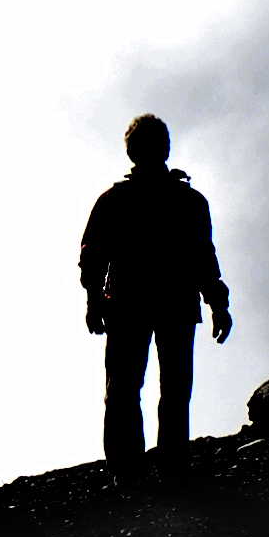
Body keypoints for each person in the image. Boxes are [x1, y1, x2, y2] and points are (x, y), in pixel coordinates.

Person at [79, 114, 230, 473]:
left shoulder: (115, 200)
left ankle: (129, 470)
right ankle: (170, 467)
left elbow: (93, 257)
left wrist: (94, 301)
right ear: (164, 148)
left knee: (126, 391)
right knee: (170, 390)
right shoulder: (188, 201)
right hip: (172, 305)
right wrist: (217, 304)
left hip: (131, 306)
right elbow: (204, 260)